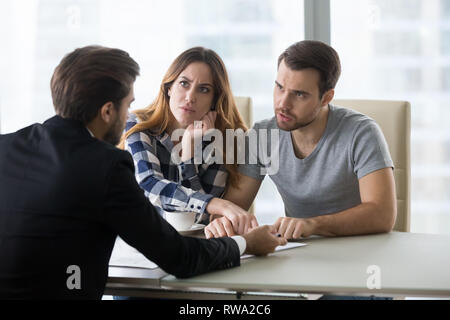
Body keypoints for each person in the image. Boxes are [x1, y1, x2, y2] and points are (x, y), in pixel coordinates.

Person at [0, 45, 286, 300]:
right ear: (108, 111)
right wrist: (246, 243)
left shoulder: (5, 146)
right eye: (128, 104)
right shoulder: (108, 164)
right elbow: (180, 257)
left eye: (204, 89)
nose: (129, 114)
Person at [207, 40, 397, 240]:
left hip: (361, 250)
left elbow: (382, 215)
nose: (283, 104)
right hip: (301, 252)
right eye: (280, 87)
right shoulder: (262, 135)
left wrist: (312, 224)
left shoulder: (361, 132)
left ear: (326, 98)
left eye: (299, 94)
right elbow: (232, 206)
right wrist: (222, 221)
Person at [120, 47, 258, 237]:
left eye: (203, 89)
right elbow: (149, 184)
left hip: (196, 246)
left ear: (214, 100)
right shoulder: (137, 124)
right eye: (184, 83)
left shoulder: (223, 140)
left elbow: (197, 220)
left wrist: (187, 155)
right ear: (169, 88)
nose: (190, 97)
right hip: (139, 245)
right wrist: (213, 203)